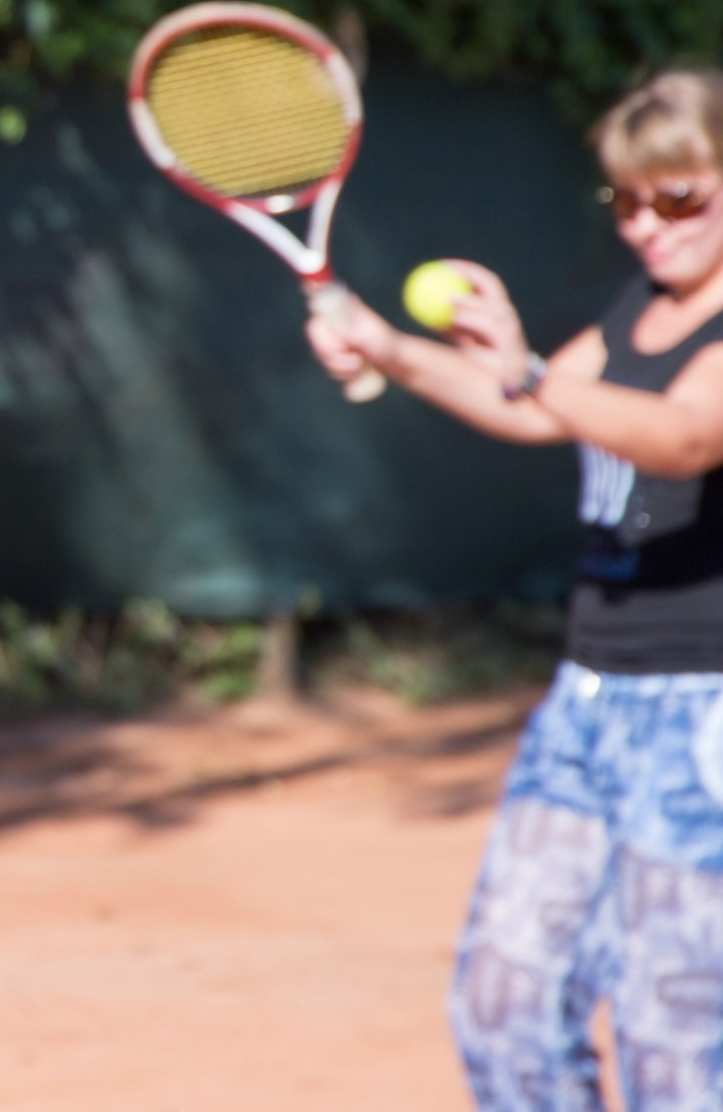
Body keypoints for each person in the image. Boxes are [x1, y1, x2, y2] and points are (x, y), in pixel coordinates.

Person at [309, 68, 723, 1112]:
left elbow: (683, 436)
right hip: (588, 702)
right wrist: (387, 345)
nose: (647, 225)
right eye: (626, 201)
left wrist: (532, 371)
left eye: (678, 197)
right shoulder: (645, 308)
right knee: (506, 1011)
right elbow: (532, 408)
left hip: (705, 715)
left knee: (676, 1045)